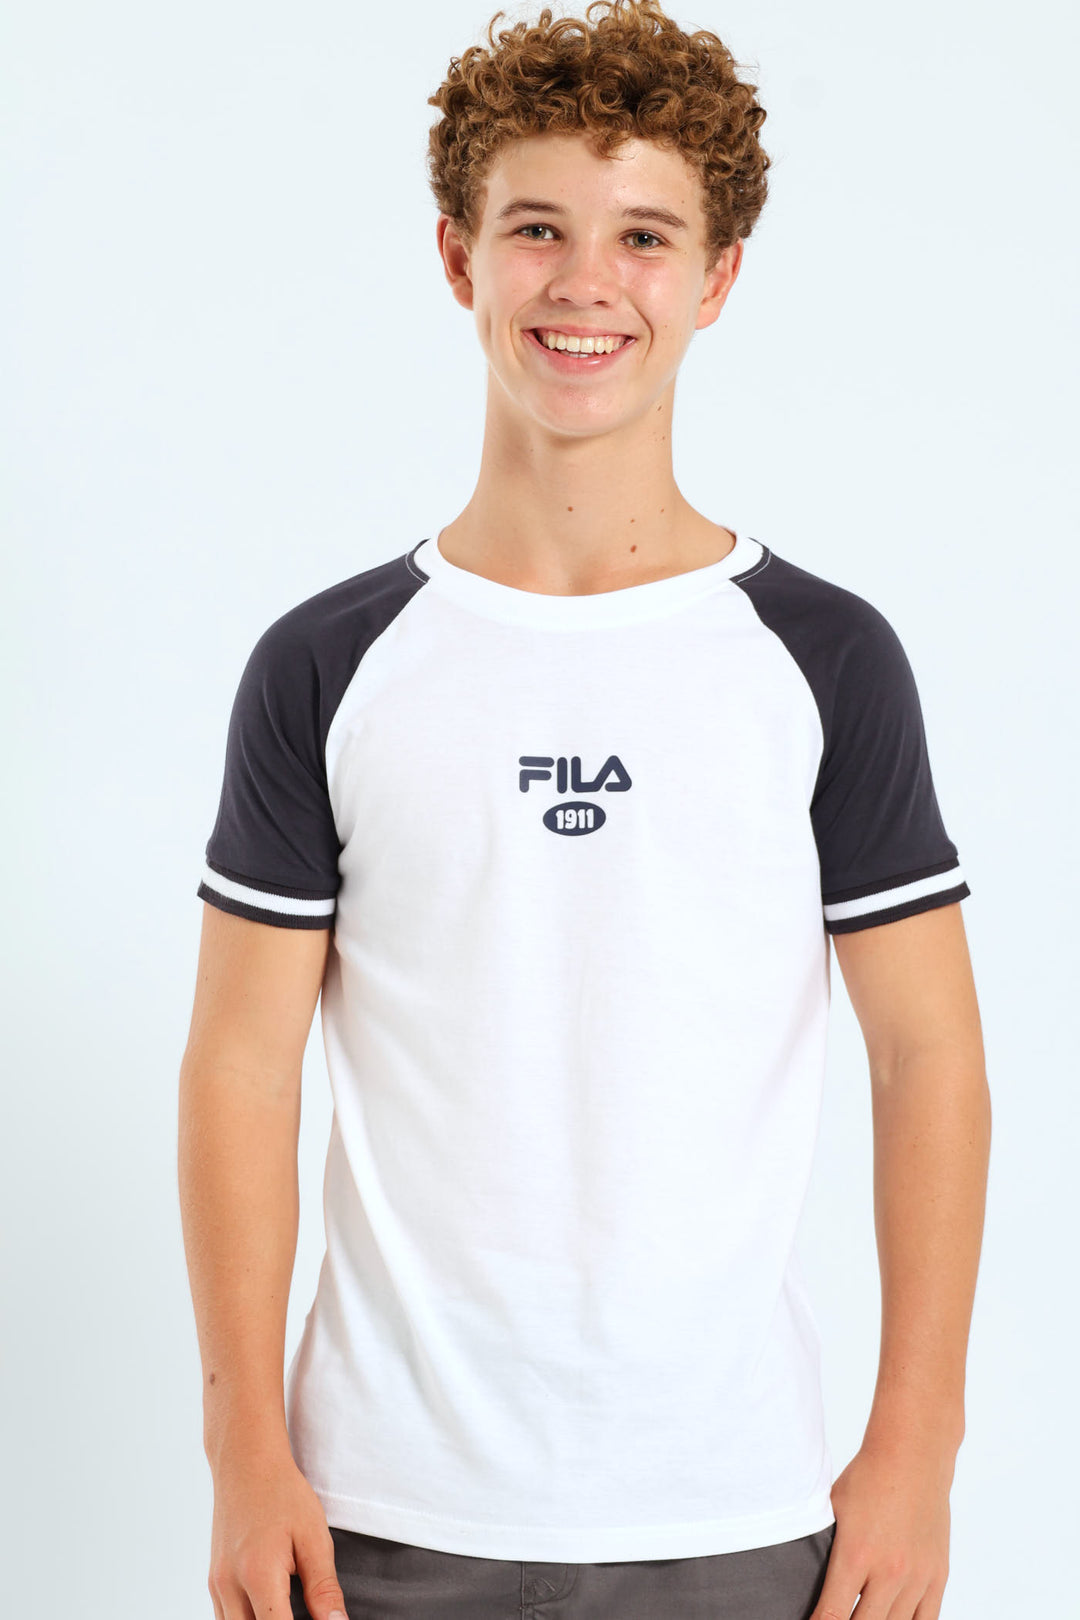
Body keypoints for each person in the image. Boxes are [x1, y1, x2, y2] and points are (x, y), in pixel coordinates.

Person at [178, 2, 991, 1617]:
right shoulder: (329, 664)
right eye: (536, 227)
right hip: (381, 1507)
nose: (585, 282)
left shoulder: (823, 657)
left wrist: (918, 1450)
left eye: (644, 237)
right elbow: (241, 1067)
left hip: (734, 1499)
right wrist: (243, 1454)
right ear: (458, 256)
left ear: (718, 277)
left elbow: (928, 1057)